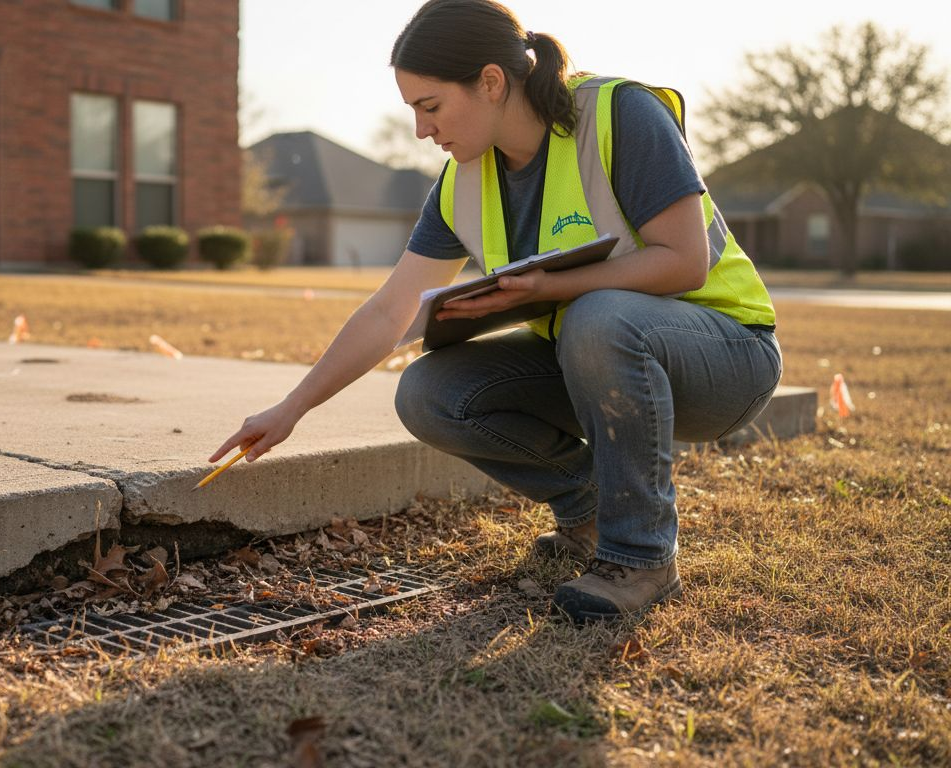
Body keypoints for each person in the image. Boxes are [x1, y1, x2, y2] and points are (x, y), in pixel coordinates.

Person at [210, 0, 781, 622]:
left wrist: (546, 288)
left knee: (600, 317)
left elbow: (684, 262)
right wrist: (291, 409)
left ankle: (640, 557)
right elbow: (389, 311)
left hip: (727, 358)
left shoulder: (620, 114)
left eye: (430, 107)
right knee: (428, 391)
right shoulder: (463, 179)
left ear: (491, 81)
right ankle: (587, 510)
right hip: (594, 357)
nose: (422, 132)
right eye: (414, 112)